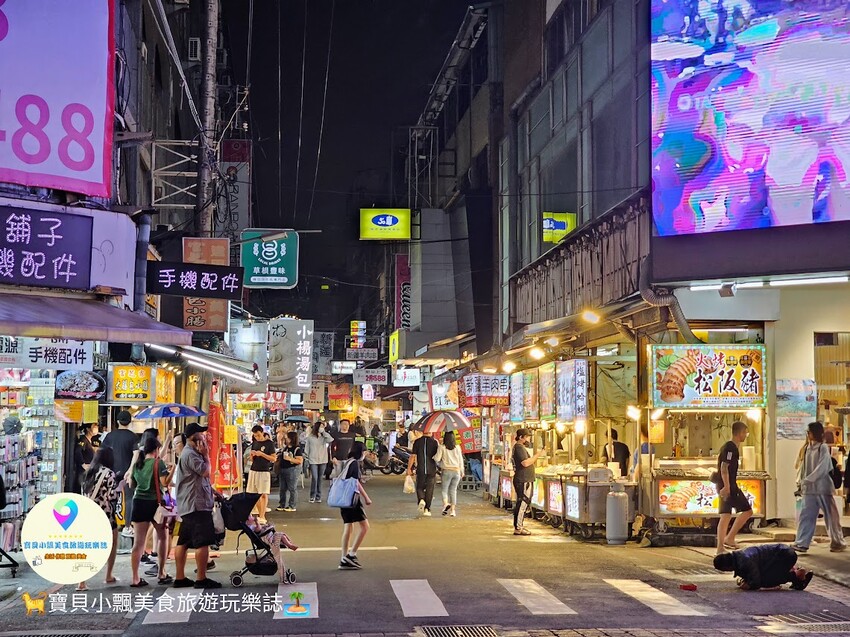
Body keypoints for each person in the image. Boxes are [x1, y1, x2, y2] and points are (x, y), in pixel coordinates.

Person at [173, 422, 221, 589]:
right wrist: (206, 455)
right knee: (202, 542)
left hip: (189, 504)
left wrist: (213, 491)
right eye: (201, 434)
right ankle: (201, 578)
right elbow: (206, 472)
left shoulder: (189, 453)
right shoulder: (191, 454)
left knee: (184, 541)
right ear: (193, 438)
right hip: (196, 505)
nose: (203, 437)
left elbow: (198, 479)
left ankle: (180, 578)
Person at [793, 422, 847, 553]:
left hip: (823, 488)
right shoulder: (807, 448)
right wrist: (802, 482)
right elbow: (803, 468)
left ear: (814, 433)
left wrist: (807, 480)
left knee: (831, 517)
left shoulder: (822, 448)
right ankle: (802, 543)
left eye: (809, 431)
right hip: (809, 490)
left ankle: (837, 542)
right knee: (806, 516)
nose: (808, 434)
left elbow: (823, 468)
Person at [129, 437, 173, 587]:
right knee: (162, 537)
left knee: (138, 542)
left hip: (138, 503)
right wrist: (172, 470)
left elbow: (131, 484)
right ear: (156, 450)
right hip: (155, 504)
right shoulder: (158, 463)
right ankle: (161, 573)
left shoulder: (137, 464)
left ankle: (135, 578)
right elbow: (164, 483)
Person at [78, 447, 120, 591]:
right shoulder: (109, 474)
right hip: (104, 514)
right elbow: (112, 496)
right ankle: (108, 574)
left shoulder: (87, 473)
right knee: (113, 542)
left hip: (88, 514)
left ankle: (82, 582)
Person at [716, 421, 753, 554]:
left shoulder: (732, 447)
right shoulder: (730, 448)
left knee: (730, 514)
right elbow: (724, 467)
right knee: (727, 515)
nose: (746, 435)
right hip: (727, 485)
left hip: (730, 485)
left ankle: (729, 539)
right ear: (740, 433)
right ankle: (722, 545)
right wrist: (726, 487)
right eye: (745, 433)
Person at [101, 410, 138, 536]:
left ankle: (110, 526)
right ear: (129, 422)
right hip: (128, 473)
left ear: (117, 421)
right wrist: (130, 470)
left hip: (112, 472)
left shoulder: (110, 436)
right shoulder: (133, 436)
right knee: (129, 498)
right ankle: (127, 527)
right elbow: (136, 453)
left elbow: (101, 453)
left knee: (111, 498)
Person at [713, 544, 814, 591]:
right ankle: (798, 580)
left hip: (784, 555)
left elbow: (756, 581)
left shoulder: (744, 561)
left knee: (766, 580)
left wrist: (748, 585)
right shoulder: (739, 557)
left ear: (726, 567)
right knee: (768, 575)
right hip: (782, 553)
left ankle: (796, 575)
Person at [338, 442, 372, 570]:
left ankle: (344, 557)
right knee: (365, 527)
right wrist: (366, 497)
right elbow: (355, 483)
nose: (365, 454)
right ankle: (352, 554)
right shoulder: (355, 464)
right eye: (364, 452)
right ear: (360, 452)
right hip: (352, 499)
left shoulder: (348, 462)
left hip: (344, 499)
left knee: (348, 527)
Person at [512, 428, 542, 536]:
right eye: (527, 437)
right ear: (521, 437)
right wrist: (537, 455)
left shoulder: (520, 447)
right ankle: (518, 527)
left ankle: (519, 526)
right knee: (522, 503)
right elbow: (525, 463)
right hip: (523, 479)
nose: (528, 439)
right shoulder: (519, 447)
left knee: (522, 503)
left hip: (523, 479)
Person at [246, 425, 276, 524]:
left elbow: (273, 458)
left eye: (258, 435)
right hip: (254, 470)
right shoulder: (254, 443)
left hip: (264, 471)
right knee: (255, 494)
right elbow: (251, 459)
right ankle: (259, 514)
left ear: (262, 432)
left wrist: (262, 454)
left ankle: (262, 516)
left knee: (263, 493)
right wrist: (252, 455)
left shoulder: (269, 444)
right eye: (255, 436)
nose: (257, 437)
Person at [407, 430, 439, 516]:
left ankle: (421, 499)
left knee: (420, 486)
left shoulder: (417, 442)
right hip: (431, 469)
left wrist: (409, 468)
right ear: (430, 432)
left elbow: (413, 456)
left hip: (420, 468)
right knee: (430, 489)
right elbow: (437, 456)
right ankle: (427, 509)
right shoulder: (434, 442)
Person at [434, 431, 464, 517]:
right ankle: (453, 511)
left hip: (446, 471)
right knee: (453, 490)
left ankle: (446, 504)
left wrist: (434, 457)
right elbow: (460, 460)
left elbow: (437, 459)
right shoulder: (458, 447)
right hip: (457, 471)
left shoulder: (442, 447)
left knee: (444, 490)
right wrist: (462, 471)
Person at [305, 421, 334, 503]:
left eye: (323, 427)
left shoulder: (324, 437)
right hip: (312, 460)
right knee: (315, 477)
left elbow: (331, 439)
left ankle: (318, 496)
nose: (322, 428)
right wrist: (306, 457)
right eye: (321, 426)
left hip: (323, 459)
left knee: (320, 478)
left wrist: (324, 432)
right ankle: (312, 495)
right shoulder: (310, 437)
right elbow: (307, 448)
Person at [276, 431, 304, 512]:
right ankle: (282, 504)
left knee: (292, 488)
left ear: (291, 438)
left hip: (292, 470)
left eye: (287, 437)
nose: (286, 439)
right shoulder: (286, 448)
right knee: (282, 488)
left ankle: (292, 505)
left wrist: (290, 459)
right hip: (283, 469)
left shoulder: (297, 449)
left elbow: (299, 460)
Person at [73, 423, 99, 493]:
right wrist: (83, 464)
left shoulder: (90, 441)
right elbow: (78, 451)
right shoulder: (83, 440)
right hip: (82, 472)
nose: (96, 428)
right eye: (94, 426)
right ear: (88, 429)